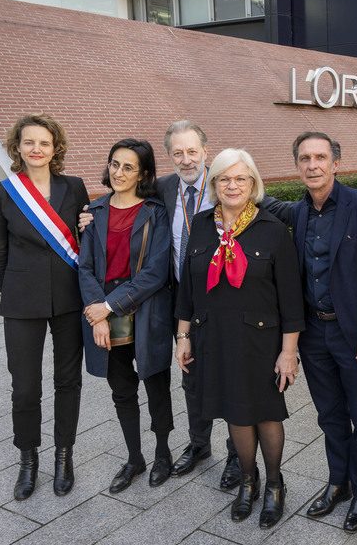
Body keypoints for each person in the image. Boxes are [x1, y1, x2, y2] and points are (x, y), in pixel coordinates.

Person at [80, 120, 242, 488]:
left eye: (192, 152)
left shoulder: (223, 184)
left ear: (206, 151)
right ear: (169, 157)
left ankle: (237, 454)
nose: (186, 160)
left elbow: (264, 203)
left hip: (224, 301)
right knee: (190, 377)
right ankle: (199, 445)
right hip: (179, 304)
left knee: (230, 378)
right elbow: (115, 222)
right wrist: (85, 220)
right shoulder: (163, 191)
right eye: (178, 153)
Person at [263, 131, 357, 532]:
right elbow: (244, 195)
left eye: (320, 157)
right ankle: (339, 483)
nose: (312, 165)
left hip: (353, 335)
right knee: (330, 415)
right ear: (297, 165)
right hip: (313, 333)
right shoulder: (296, 213)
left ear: (335, 161)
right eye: (304, 159)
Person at [174, 149, 304, 528]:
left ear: (253, 184)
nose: (232, 186)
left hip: (261, 341)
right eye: (224, 179)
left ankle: (275, 484)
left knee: (264, 413)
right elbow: (188, 288)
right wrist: (183, 336)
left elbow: (291, 300)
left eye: (240, 179)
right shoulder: (200, 225)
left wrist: (289, 352)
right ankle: (249, 481)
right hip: (213, 335)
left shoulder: (273, 230)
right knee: (234, 410)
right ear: (214, 184)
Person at [0, 113, 89, 500]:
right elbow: (0, 251)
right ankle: (28, 458)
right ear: (17, 148)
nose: (37, 149)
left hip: (68, 298)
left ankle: (65, 455)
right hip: (21, 302)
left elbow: (83, 238)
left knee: (68, 381)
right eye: (29, 142)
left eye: (44, 143)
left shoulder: (74, 186)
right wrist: (13, 289)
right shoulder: (1, 192)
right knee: (25, 386)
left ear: (55, 147)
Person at [79, 139, 175, 494]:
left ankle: (163, 453)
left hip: (146, 311)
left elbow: (155, 272)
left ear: (143, 174)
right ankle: (135, 458)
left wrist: (109, 305)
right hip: (107, 315)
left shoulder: (155, 212)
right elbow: (84, 266)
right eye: (114, 164)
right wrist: (98, 314)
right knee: (122, 390)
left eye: (128, 167)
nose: (119, 173)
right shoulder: (95, 211)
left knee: (156, 384)